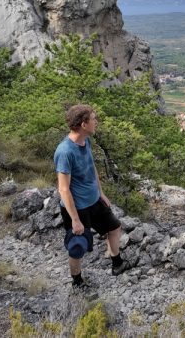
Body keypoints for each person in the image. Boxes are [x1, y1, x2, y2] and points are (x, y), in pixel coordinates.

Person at [54, 104, 133, 288]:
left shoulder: (85, 141)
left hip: (94, 200)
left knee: (114, 228)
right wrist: (75, 220)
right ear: (83, 124)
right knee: (77, 247)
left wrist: (101, 193)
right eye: (93, 119)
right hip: (77, 208)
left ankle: (117, 263)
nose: (96, 122)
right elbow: (63, 189)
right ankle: (77, 282)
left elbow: (91, 167)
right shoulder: (65, 152)